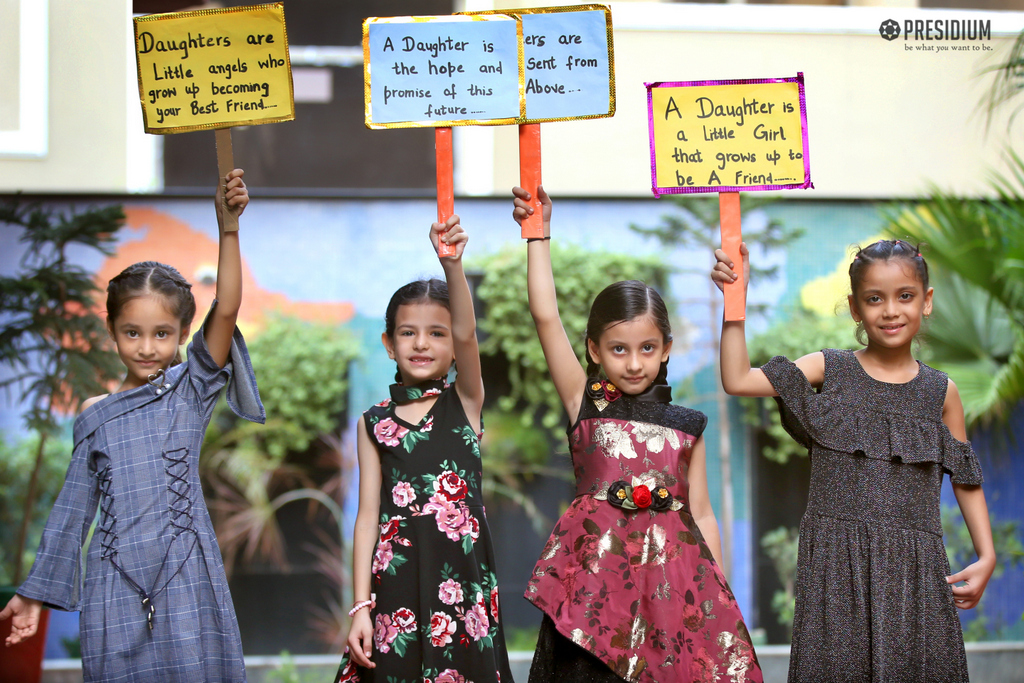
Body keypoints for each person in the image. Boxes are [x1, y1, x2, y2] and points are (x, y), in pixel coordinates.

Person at [0, 170, 265, 682]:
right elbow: (72, 511)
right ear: (112, 332)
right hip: (113, 583)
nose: (147, 347)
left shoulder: (192, 390)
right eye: (132, 333)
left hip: (188, 574)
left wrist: (227, 227)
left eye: (163, 333)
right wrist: (33, 594)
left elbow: (227, 306)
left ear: (184, 334)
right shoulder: (95, 414)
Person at [711, 239, 995, 682]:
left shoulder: (942, 393)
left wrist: (987, 554)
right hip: (835, 568)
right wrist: (735, 303)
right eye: (874, 299)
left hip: (913, 573)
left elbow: (965, 476)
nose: (891, 310)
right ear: (855, 308)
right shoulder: (830, 369)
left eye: (905, 296)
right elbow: (738, 379)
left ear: (927, 300)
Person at [513, 186, 762, 683]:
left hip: (672, 596)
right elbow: (545, 316)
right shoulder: (587, 401)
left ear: (666, 348)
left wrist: (717, 601)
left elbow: (704, 513)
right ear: (594, 350)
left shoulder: (689, 425)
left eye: (647, 348)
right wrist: (536, 234)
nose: (634, 362)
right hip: (592, 597)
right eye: (619, 349)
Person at [335, 215, 514, 683]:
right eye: (407, 332)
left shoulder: (467, 402)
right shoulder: (372, 423)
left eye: (437, 333)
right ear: (389, 344)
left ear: (453, 346)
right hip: (395, 585)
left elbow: (470, 334)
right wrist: (360, 607)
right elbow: (366, 516)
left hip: (463, 581)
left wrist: (452, 266)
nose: (421, 343)